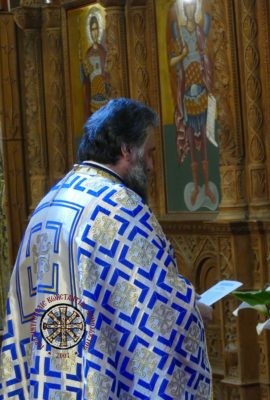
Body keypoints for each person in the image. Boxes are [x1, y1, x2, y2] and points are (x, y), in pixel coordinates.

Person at [0, 99, 213, 398]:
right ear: (127, 150)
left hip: (52, 373)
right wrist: (192, 310)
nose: (151, 166)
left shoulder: (51, 200)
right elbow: (158, 309)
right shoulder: (119, 206)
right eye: (149, 153)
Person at [167, 0, 218, 209]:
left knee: (204, 139)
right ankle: (196, 187)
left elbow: (209, 54)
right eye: (186, 6)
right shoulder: (178, 33)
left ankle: (207, 187)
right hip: (187, 90)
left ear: (195, 8)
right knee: (189, 134)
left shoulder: (200, 31)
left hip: (201, 88)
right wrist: (183, 55)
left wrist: (203, 55)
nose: (189, 9)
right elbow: (172, 61)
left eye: (192, 6)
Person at [81, 11, 110, 118]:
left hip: (104, 96)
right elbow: (85, 79)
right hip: (93, 97)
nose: (94, 32)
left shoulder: (103, 52)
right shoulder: (87, 54)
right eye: (92, 29)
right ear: (89, 31)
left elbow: (108, 73)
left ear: (99, 30)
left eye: (96, 29)